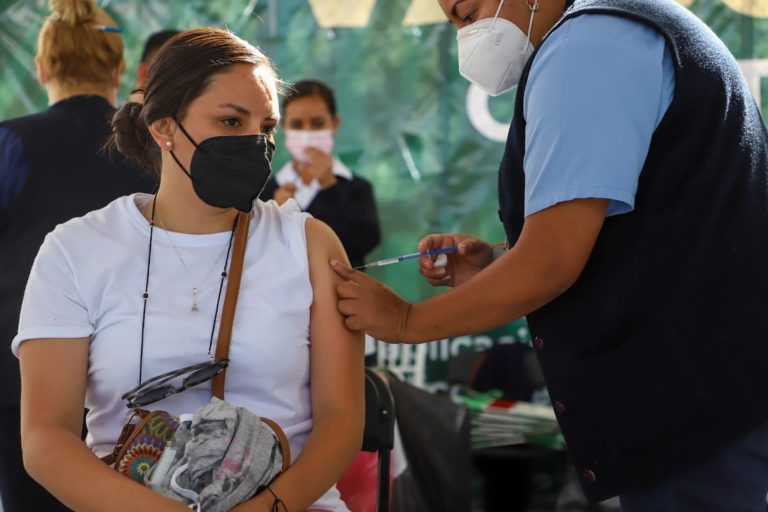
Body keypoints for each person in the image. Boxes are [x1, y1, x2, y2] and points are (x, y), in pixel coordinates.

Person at [330, 0, 768, 510]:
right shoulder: (622, 29)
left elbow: (552, 261)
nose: (456, 19)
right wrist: (497, 263)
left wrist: (405, 320)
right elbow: (639, 226)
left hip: (698, 408)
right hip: (716, 392)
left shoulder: (588, 46)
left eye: (468, 14)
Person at [13, 27, 363, 512]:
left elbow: (341, 420)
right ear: (164, 127)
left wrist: (268, 508)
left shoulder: (308, 244)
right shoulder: (75, 251)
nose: (255, 143)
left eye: (266, 127)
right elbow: (46, 437)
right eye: (230, 121)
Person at [0, 0, 155, 510]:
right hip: (142, 383)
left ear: (42, 67)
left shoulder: (11, 143)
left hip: (24, 384)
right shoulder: (155, 148)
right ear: (119, 70)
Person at [261, 80, 380, 270]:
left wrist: (329, 186)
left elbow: (361, 244)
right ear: (284, 127)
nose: (307, 133)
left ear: (335, 124)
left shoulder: (358, 188)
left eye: (318, 124)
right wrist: (277, 215)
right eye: (297, 124)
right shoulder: (265, 192)